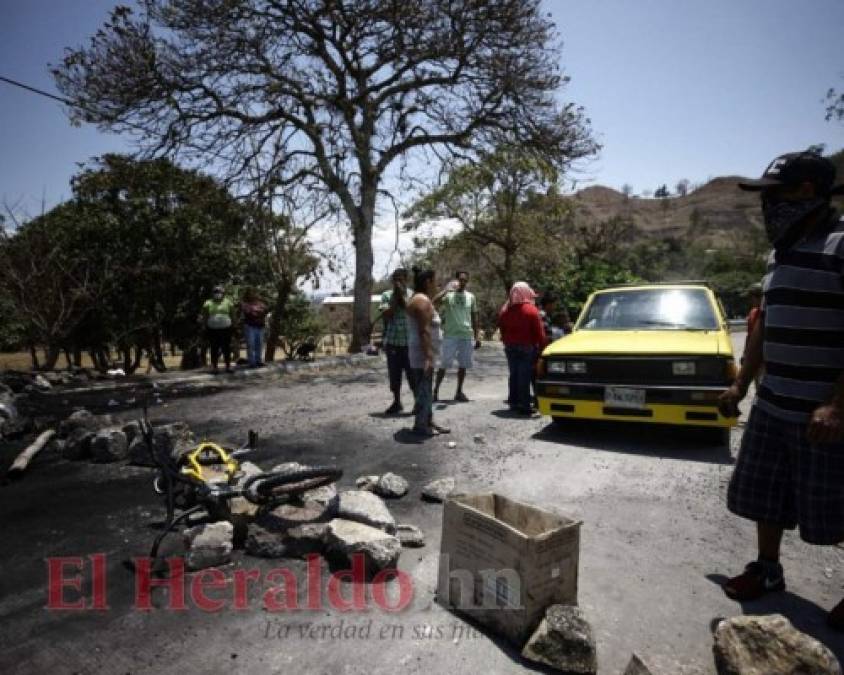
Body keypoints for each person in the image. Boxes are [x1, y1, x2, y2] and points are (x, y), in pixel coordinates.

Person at [717, 151, 844, 629]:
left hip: (823, 412)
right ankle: (767, 570)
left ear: (807, 191)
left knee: (834, 503)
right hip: (774, 406)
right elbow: (763, 328)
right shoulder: (781, 253)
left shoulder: (842, 243)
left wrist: (837, 405)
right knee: (765, 495)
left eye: (774, 193)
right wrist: (742, 384)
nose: (767, 204)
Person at [406, 267, 450, 437]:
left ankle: (428, 420)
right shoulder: (421, 302)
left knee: (425, 387)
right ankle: (421, 425)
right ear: (427, 282)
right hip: (422, 353)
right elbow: (423, 331)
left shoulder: (422, 299)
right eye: (435, 281)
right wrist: (428, 357)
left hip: (423, 351)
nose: (436, 285)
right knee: (424, 388)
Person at [433, 271, 481, 402]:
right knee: (444, 364)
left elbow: (474, 316)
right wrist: (445, 290)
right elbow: (434, 302)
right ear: (457, 280)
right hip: (450, 335)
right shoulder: (449, 295)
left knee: (463, 365)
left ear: (468, 281)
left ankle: (459, 391)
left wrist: (477, 336)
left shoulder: (471, 297)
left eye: (465, 280)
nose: (463, 282)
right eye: (461, 279)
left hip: (466, 335)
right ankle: (435, 391)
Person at [499, 282, 546, 415]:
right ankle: (525, 405)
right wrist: (543, 348)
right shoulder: (531, 310)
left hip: (510, 347)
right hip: (526, 347)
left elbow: (502, 328)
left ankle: (513, 402)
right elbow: (539, 332)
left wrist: (506, 341)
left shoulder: (506, 310)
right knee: (524, 375)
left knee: (514, 374)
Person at [379, 268, 416, 415]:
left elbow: (412, 312)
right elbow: (387, 314)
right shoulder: (386, 295)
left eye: (400, 279)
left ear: (406, 280)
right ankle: (397, 402)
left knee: (412, 375)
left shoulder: (413, 294)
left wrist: (403, 297)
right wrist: (395, 298)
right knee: (394, 375)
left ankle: (417, 402)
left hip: (410, 343)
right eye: (395, 279)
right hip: (393, 342)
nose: (397, 282)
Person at [201, 285, 236, 374]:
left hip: (226, 329)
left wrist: (234, 325)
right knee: (214, 348)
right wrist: (204, 326)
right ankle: (214, 367)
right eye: (216, 292)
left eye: (219, 292)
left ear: (223, 293)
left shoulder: (228, 302)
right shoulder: (208, 303)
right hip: (213, 329)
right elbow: (205, 316)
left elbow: (233, 315)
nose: (218, 294)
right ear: (213, 293)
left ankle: (228, 366)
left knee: (226, 348)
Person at [240, 287, 268, 368]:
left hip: (260, 326)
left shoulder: (261, 303)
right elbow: (249, 313)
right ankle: (252, 362)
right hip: (250, 326)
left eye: (254, 293)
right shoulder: (245, 303)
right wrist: (257, 311)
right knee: (251, 344)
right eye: (251, 293)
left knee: (259, 344)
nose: (253, 295)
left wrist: (257, 311)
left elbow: (265, 311)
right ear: (248, 295)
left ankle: (258, 361)